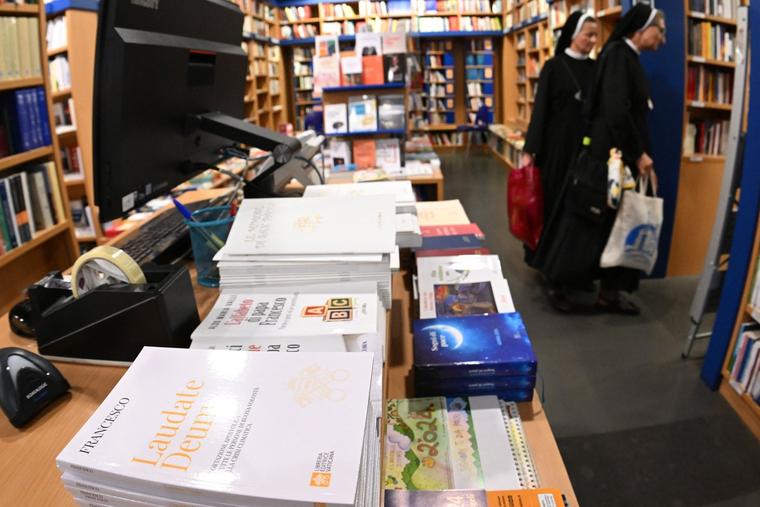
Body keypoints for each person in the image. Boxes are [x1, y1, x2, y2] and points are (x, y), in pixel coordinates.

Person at [587, 4, 666, 315]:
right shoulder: (620, 55)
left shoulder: (625, 55)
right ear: (640, 29)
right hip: (620, 160)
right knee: (613, 224)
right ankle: (607, 293)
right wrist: (640, 155)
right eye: (659, 30)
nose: (663, 38)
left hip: (621, 158)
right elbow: (618, 112)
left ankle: (610, 291)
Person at [521, 11, 599, 312]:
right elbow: (540, 111)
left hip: (586, 153)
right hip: (556, 153)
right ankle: (554, 278)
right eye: (587, 35)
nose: (592, 41)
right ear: (572, 34)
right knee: (555, 211)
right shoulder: (554, 67)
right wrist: (531, 150)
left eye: (595, 36)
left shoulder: (596, 68)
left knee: (580, 213)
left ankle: (576, 271)